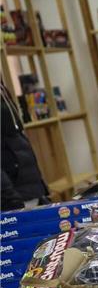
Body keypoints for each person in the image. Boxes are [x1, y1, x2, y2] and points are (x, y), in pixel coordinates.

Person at [2, 83, 48, 211]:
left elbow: (17, 136)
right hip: (15, 202)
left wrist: (42, 188)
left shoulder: (3, 89)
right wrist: (12, 200)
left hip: (33, 193)